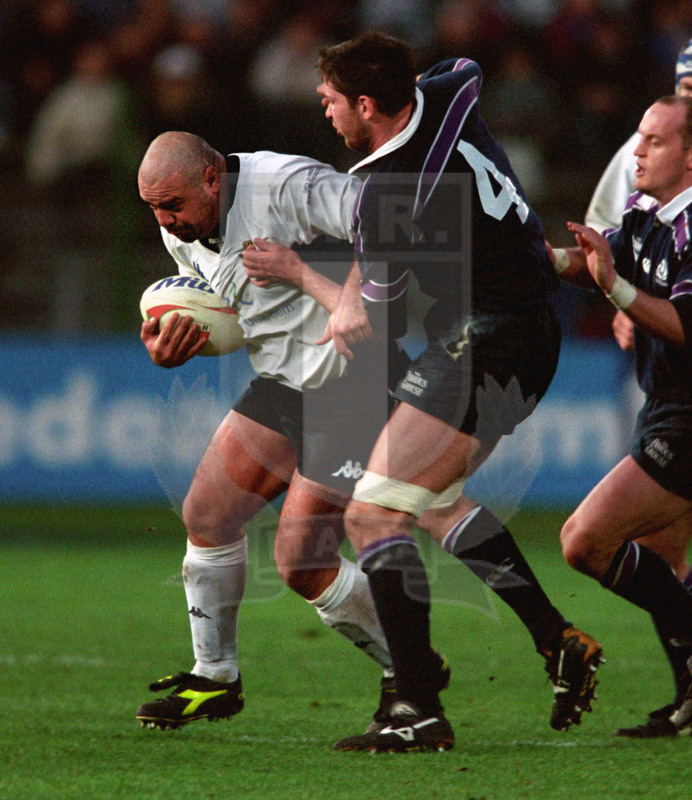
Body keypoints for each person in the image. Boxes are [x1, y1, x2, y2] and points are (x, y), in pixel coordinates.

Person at [308, 32, 603, 752]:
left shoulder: (385, 193)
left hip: (488, 339)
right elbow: (466, 65)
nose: (326, 115)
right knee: (429, 500)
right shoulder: (450, 93)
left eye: (331, 102)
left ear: (368, 104)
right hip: (512, 329)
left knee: (372, 514)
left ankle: (418, 708)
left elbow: (376, 309)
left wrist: (322, 288)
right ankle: (556, 640)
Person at [135, 130, 428, 732]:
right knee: (207, 514)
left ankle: (413, 667)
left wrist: (344, 296)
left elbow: (389, 222)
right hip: (284, 380)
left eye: (173, 205)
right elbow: (239, 314)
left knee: (301, 560)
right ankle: (215, 675)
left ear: (212, 179)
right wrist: (178, 348)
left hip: (354, 376)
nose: (164, 220)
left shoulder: (286, 184)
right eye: (154, 208)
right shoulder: (181, 232)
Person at [551, 94, 692, 738]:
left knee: (585, 540)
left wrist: (618, 290)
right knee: (660, 560)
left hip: (687, 417)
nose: (637, 150)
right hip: (666, 403)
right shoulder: (645, 213)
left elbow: (684, 325)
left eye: (654, 141)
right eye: (639, 136)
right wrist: (539, 255)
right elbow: (597, 262)